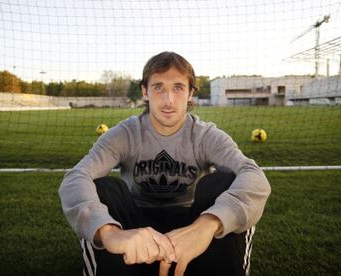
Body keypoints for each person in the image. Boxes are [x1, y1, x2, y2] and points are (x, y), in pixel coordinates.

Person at [59, 51, 271, 276]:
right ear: (145, 91)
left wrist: (208, 224)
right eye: (159, 87)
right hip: (136, 231)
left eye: (178, 87)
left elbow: (253, 174)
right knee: (105, 188)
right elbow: (76, 177)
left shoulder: (205, 135)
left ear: (191, 94)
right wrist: (110, 233)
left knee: (224, 182)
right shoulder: (124, 134)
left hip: (192, 227)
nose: (168, 100)